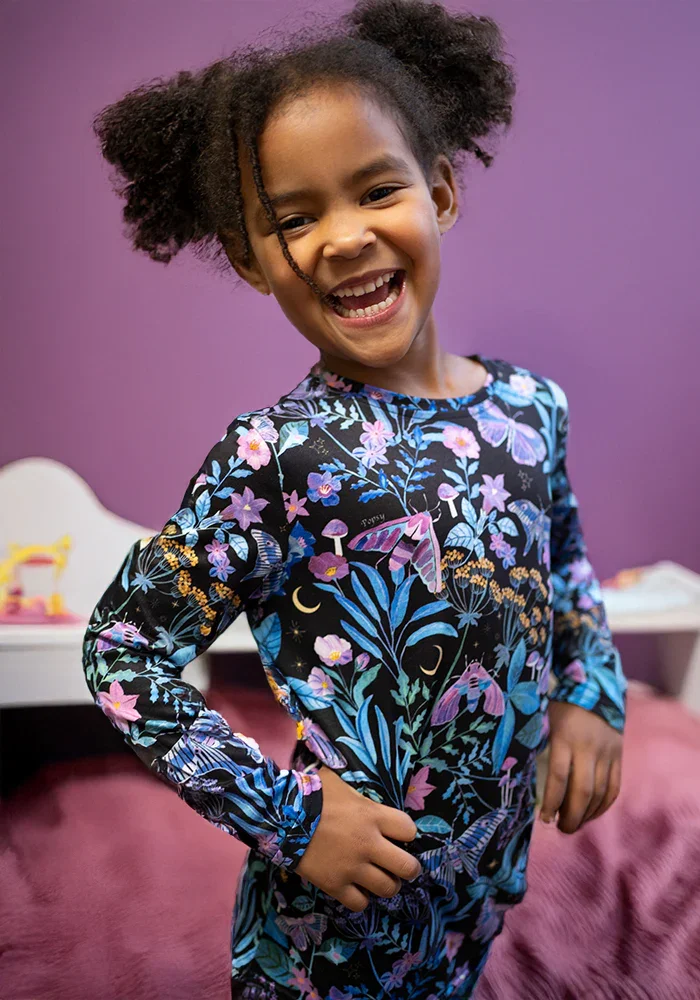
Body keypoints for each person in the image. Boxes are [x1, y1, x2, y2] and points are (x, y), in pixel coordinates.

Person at [82, 1, 626, 997]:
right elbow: (122, 650)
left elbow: (565, 558)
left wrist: (589, 688)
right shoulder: (275, 458)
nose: (343, 237)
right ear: (250, 258)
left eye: (377, 190)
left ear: (442, 191)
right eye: (294, 219)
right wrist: (290, 818)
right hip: (325, 947)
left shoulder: (529, 410)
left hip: (476, 905)